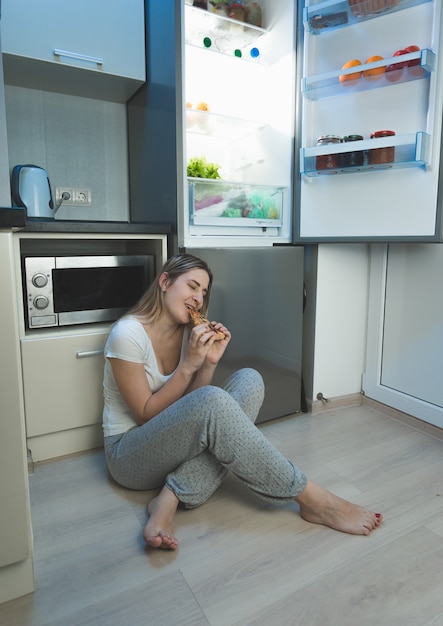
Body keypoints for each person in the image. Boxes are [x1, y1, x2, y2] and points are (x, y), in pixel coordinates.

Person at [102, 253, 382, 549]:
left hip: (170, 442)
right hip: (129, 454)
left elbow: (189, 404)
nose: (198, 298)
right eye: (192, 286)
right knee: (214, 401)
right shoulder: (127, 334)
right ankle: (312, 498)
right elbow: (147, 414)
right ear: (165, 281)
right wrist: (188, 365)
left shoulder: (188, 332)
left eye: (203, 292)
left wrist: (208, 362)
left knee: (249, 378)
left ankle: (169, 498)